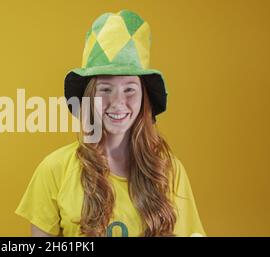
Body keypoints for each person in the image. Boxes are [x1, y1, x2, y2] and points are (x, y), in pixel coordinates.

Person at [15, 10, 205, 237]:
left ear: (145, 97)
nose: (117, 102)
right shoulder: (54, 170)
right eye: (105, 89)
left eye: (129, 89)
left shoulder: (169, 172)